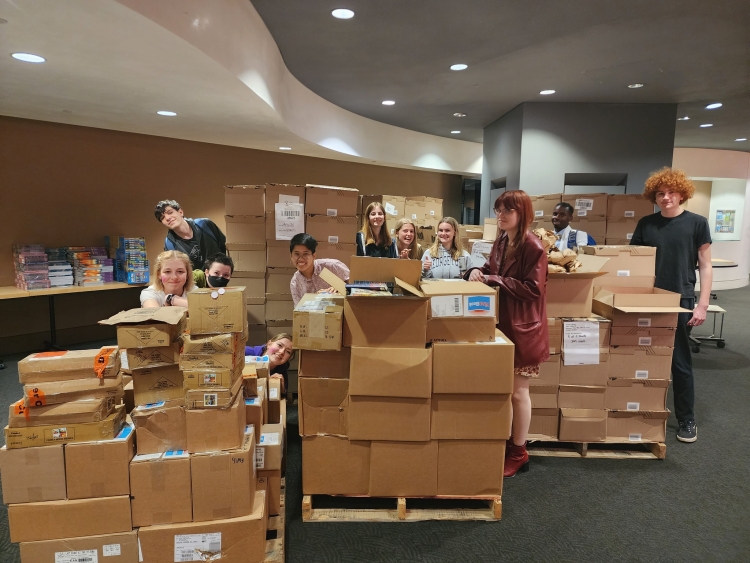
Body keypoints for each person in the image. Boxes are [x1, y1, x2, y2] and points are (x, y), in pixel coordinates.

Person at [466, 190, 548, 477]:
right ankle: (508, 442)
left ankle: (519, 451)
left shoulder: (533, 246)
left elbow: (533, 289)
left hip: (524, 329)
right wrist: (477, 270)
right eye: (498, 210)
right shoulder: (501, 240)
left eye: (506, 211)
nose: (500, 215)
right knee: (505, 391)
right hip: (501, 325)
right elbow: (491, 269)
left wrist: (493, 278)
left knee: (518, 392)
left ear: (521, 213)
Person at [630, 167, 712, 443]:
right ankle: (642, 411)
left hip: (681, 300)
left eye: (671, 193)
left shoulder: (697, 223)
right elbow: (635, 261)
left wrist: (702, 305)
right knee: (642, 356)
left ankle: (687, 419)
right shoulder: (646, 224)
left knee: (679, 362)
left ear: (682, 194)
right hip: (648, 300)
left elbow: (706, 265)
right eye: (661, 194)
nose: (666, 198)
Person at [155, 199, 226, 271]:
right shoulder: (169, 244)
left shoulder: (204, 225)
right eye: (162, 218)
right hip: (194, 281)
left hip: (220, 278)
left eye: (170, 212)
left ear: (180, 212)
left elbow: (225, 246)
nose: (167, 218)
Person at [288, 233, 350, 306]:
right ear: (291, 256)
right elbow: (299, 311)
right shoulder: (295, 283)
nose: (301, 259)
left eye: (306, 254)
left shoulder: (332, 266)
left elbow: (357, 286)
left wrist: (339, 287)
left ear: (314, 255)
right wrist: (315, 298)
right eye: (297, 254)